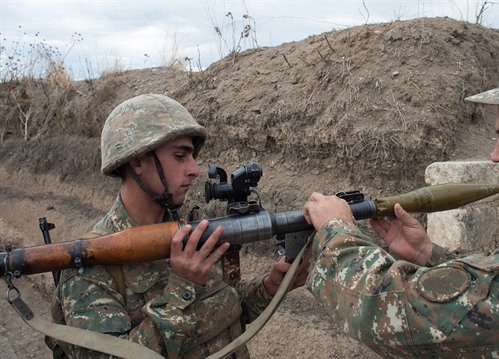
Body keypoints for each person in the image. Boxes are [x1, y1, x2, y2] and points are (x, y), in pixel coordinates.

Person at [302, 42, 499, 358]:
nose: (496, 154)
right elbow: (491, 297)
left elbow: (406, 319)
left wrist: (335, 232)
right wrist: (429, 255)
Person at [47, 94, 308, 359]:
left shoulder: (185, 231)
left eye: (192, 157)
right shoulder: (90, 264)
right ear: (137, 161)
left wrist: (270, 287)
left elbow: (225, 310)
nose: (194, 169)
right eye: (180, 156)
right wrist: (182, 287)